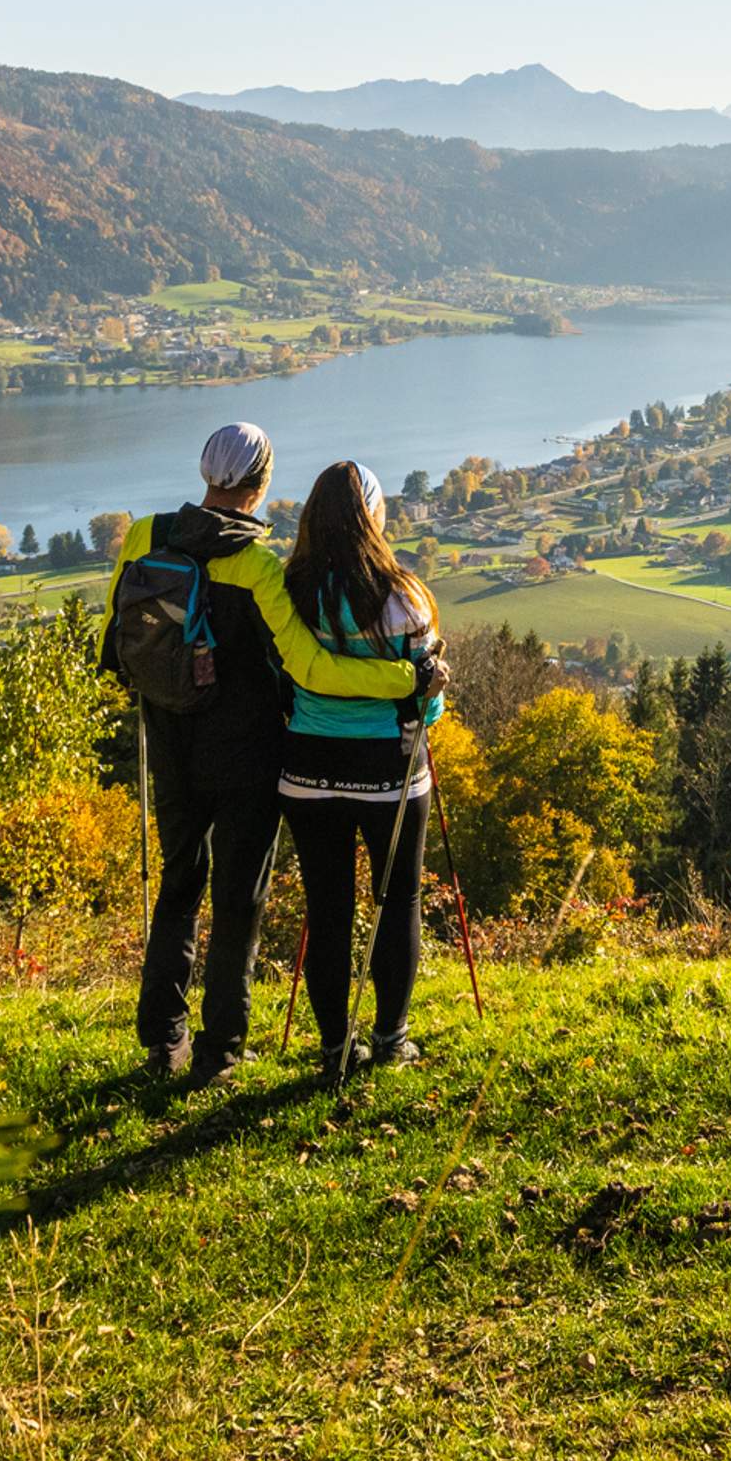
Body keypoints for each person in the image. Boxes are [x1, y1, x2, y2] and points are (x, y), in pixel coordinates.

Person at [101, 423, 435, 1084]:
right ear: (264, 479)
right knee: (237, 899)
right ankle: (219, 1050)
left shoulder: (144, 534)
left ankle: (162, 1041)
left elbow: (116, 634)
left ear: (206, 471)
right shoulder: (255, 567)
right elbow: (312, 669)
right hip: (246, 755)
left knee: (177, 884)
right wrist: (406, 680)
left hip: (169, 739)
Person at [274, 459, 445, 1082]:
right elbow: (429, 699)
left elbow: (279, 677)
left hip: (307, 766)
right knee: (397, 899)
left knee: (328, 906)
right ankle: (391, 1037)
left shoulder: (291, 591)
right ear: (375, 516)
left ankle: (334, 1047)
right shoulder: (403, 595)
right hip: (390, 769)